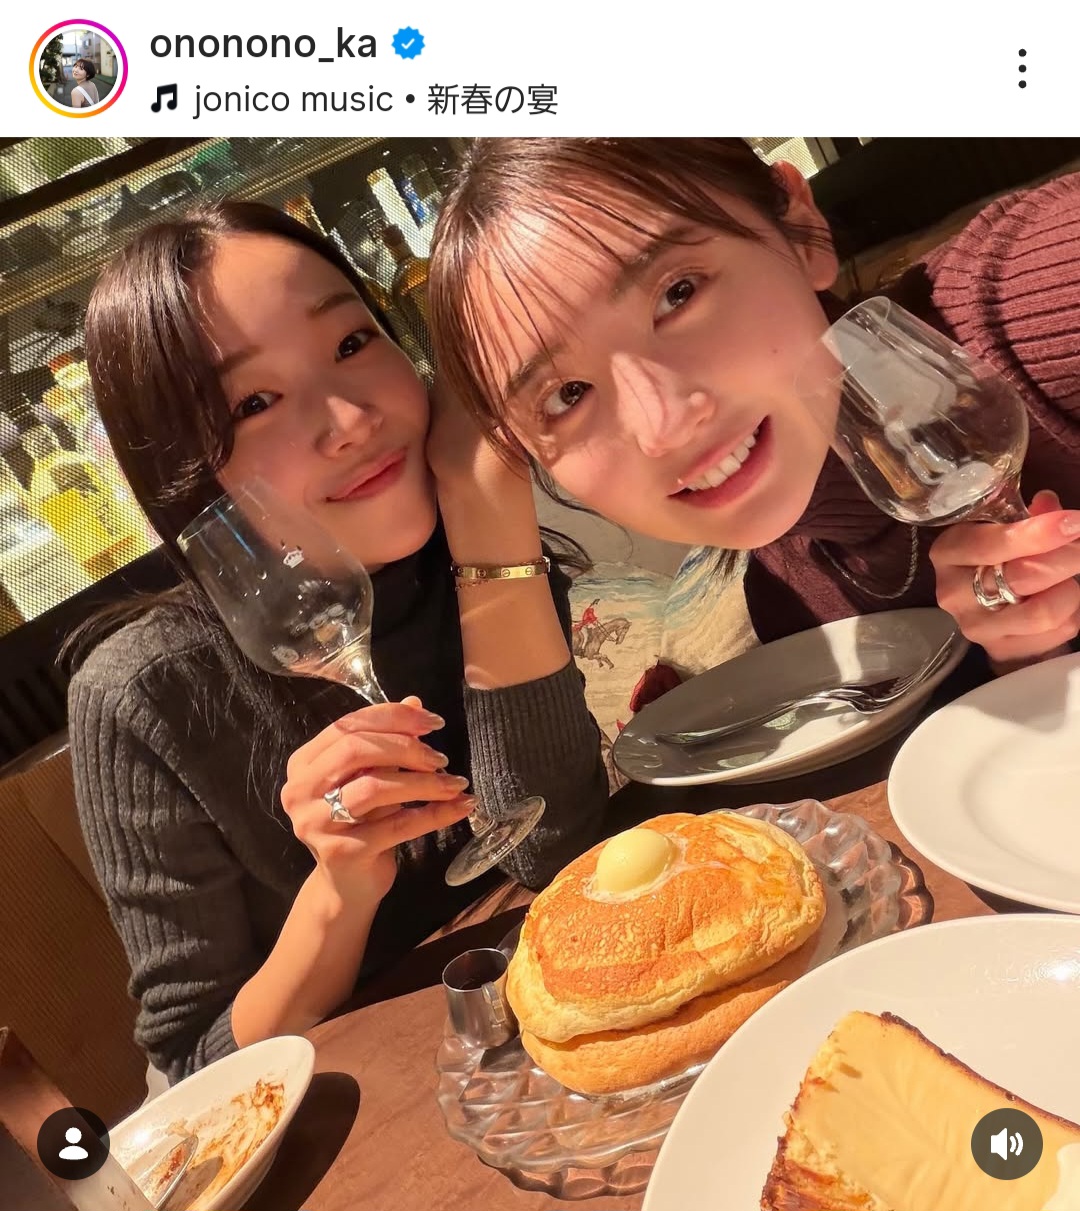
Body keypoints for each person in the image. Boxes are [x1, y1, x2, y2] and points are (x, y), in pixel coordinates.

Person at [66, 200, 608, 1084]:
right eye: (255, 402)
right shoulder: (145, 693)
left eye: (352, 342)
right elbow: (195, 1070)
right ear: (190, 477)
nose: (350, 418)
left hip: (568, 1029)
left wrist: (488, 524)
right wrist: (340, 888)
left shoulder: (462, 532)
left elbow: (556, 847)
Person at [425, 138, 1080, 674]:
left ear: (801, 229)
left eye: (679, 293)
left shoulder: (1033, 311)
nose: (665, 425)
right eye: (567, 395)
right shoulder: (795, 603)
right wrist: (1031, 656)